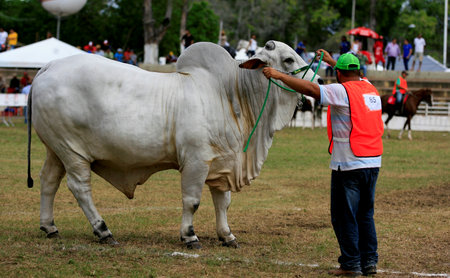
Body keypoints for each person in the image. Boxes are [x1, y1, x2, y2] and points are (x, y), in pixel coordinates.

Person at [263, 50, 383, 277]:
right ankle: (369, 262)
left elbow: (310, 89)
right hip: (373, 162)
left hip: (348, 165)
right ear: (358, 71)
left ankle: (350, 264)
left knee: (344, 216)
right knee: (365, 214)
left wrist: (279, 75)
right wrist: (331, 61)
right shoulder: (369, 87)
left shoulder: (341, 91)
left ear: (338, 74)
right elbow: (348, 73)